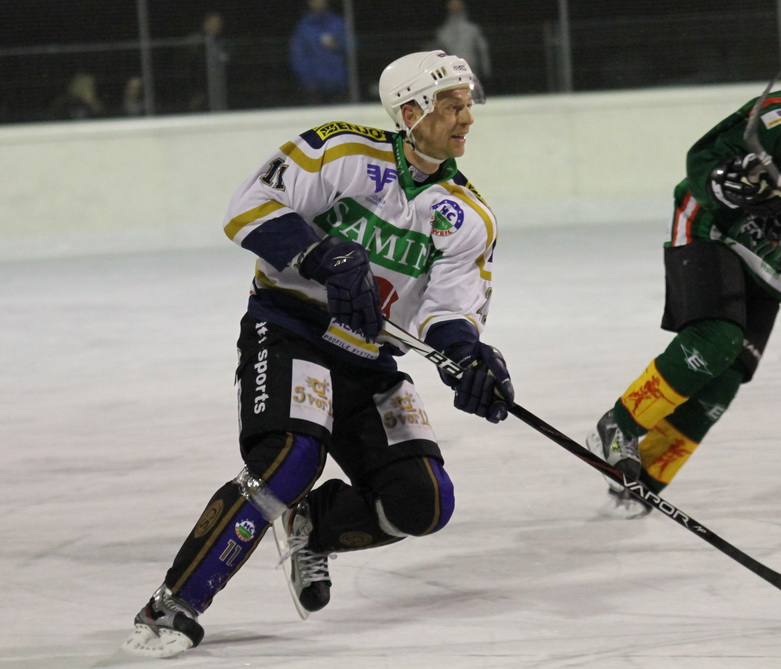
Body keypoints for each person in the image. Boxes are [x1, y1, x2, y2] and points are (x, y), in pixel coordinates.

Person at [121, 50, 512, 658]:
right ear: (410, 112)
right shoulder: (339, 150)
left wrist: (471, 358)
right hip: (291, 329)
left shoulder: (470, 217)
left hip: (370, 360)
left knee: (425, 502)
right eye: (451, 105)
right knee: (290, 458)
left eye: (467, 105)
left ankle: (314, 527)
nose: (466, 119)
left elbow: (446, 311)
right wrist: (321, 254)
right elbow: (249, 206)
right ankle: (174, 603)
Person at [586, 28, 781, 517]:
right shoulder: (776, 117)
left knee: (725, 380)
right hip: (711, 230)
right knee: (715, 340)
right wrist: (729, 183)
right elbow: (703, 160)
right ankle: (619, 424)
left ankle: (642, 481)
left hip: (769, 259)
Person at [290, 0, 349, 105]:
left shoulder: (337, 23)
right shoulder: (304, 27)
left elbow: (351, 46)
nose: (318, 2)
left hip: (337, 83)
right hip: (314, 86)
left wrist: (337, 45)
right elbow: (298, 56)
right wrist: (308, 80)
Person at [434, 0, 491, 80]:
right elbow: (438, 53)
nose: (455, 9)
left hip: (470, 67)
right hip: (451, 70)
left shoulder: (472, 29)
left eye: (458, 6)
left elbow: (482, 48)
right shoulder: (443, 32)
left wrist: (486, 67)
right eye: (452, 6)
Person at [184, 11, 228, 112]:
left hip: (219, 87)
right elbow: (192, 67)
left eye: (218, 23)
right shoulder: (195, 41)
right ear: (205, 24)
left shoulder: (223, 42)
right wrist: (196, 92)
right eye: (213, 23)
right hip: (200, 87)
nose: (216, 26)